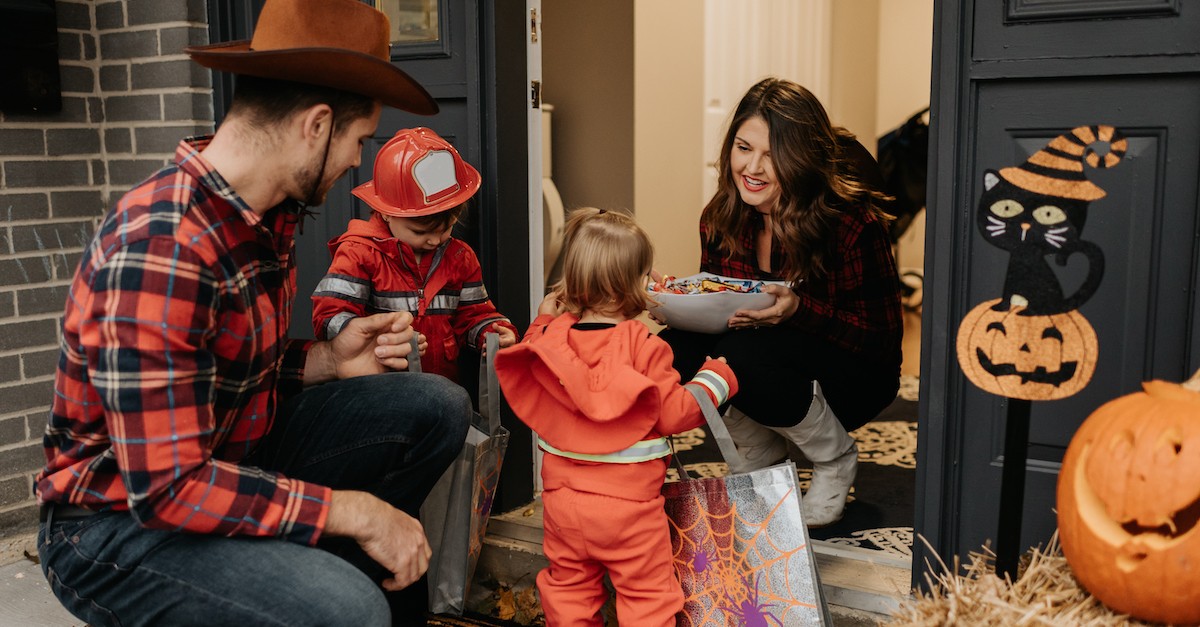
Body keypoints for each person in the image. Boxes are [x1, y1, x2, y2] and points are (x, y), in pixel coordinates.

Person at [32, 1, 472, 625]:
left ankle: (323, 571)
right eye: (358, 140)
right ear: (316, 126)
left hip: (234, 456)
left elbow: (228, 370)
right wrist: (354, 511)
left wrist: (330, 361)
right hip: (115, 524)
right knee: (347, 609)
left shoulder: (267, 216)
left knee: (435, 407)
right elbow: (166, 486)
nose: (355, 163)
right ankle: (323, 587)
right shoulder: (164, 246)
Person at [657, 77, 903, 528]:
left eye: (774, 155)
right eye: (744, 147)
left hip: (852, 376)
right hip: (761, 363)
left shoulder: (852, 223)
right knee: (671, 348)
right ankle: (759, 454)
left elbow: (881, 343)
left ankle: (834, 460)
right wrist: (674, 302)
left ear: (804, 159)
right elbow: (723, 307)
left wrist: (799, 310)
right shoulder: (720, 218)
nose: (753, 167)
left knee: (745, 354)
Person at [494, 208, 739, 626]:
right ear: (637, 285)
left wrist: (544, 317)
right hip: (629, 512)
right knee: (647, 598)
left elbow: (534, 351)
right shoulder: (644, 346)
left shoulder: (550, 341)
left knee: (569, 591)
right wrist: (716, 379)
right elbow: (675, 413)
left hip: (563, 505)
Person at [312, 127, 518, 383]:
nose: (435, 240)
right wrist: (380, 339)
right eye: (420, 231)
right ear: (386, 212)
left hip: (443, 390)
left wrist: (492, 332)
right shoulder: (359, 253)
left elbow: (474, 314)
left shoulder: (460, 257)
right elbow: (329, 317)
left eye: (447, 228)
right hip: (377, 387)